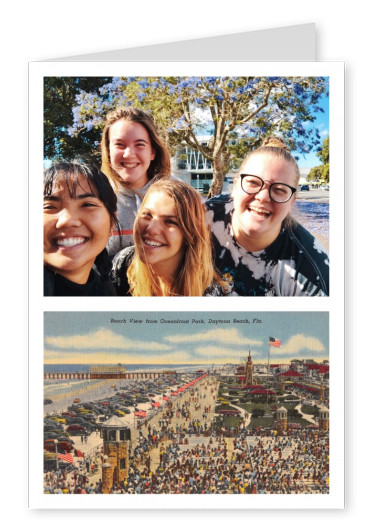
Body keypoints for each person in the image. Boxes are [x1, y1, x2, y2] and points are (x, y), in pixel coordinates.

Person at [206, 137, 329, 296]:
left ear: (292, 201)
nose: (263, 197)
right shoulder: (202, 217)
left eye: (279, 189)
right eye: (253, 182)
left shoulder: (311, 274)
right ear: (235, 186)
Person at [111, 180, 224, 296]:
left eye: (170, 222)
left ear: (190, 234)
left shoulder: (209, 293)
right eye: (147, 215)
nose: (151, 229)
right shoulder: (122, 264)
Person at [101, 106, 171, 256]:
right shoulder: (95, 200)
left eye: (139, 145)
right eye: (119, 144)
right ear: (108, 151)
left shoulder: (176, 197)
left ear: (152, 152)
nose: (129, 154)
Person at [43, 158, 118, 296]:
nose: (67, 221)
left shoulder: (106, 292)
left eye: (87, 205)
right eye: (49, 207)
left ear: (112, 223)